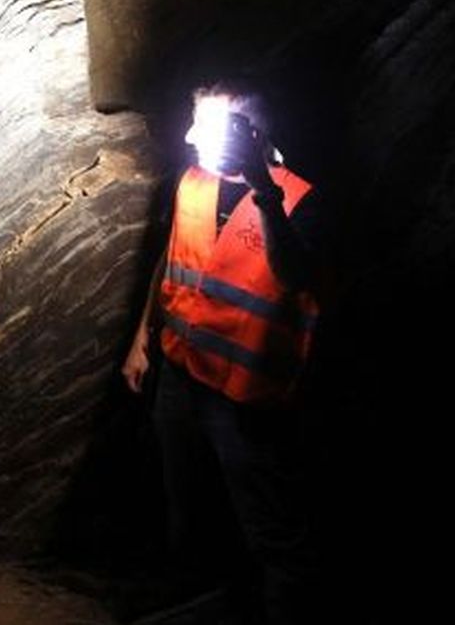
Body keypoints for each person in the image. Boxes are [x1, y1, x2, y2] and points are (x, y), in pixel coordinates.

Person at [121, 83, 324, 625]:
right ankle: (203, 599)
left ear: (251, 135)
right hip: (181, 373)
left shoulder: (300, 198)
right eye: (195, 123)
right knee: (187, 503)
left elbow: (295, 275)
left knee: (272, 528)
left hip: (245, 397)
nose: (190, 137)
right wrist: (142, 336)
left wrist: (263, 191)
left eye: (208, 128)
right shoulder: (194, 181)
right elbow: (172, 258)